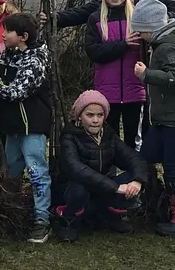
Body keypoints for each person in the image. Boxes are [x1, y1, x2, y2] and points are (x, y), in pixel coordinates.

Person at [0, 12, 54, 243]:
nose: (3, 34)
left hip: (32, 127)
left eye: (8, 31)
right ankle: (12, 212)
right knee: (11, 171)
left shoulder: (35, 61)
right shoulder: (11, 53)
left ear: (23, 36)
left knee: (37, 172)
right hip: (13, 127)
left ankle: (42, 220)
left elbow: (14, 91)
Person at [131, 0, 175, 237]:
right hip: (166, 117)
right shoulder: (166, 41)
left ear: (151, 28)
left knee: (172, 165)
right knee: (148, 154)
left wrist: (146, 74)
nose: (140, 36)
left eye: (141, 31)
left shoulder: (168, 46)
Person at [54, 89, 149, 242]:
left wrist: (137, 181)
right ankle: (69, 224)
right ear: (79, 116)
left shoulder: (109, 135)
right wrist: (115, 187)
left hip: (103, 189)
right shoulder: (69, 137)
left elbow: (133, 158)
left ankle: (112, 217)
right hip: (73, 191)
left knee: (132, 176)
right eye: (89, 115)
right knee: (79, 188)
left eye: (100, 115)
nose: (95, 120)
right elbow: (76, 169)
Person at [79, 0, 147, 151]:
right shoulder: (95, 19)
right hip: (107, 93)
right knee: (110, 140)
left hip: (136, 91)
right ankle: (110, 178)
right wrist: (123, 45)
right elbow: (94, 51)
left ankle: (137, 176)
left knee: (135, 141)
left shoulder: (139, 17)